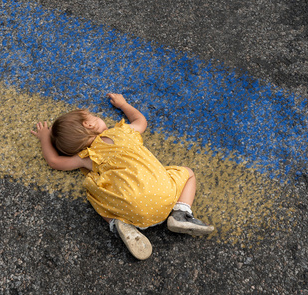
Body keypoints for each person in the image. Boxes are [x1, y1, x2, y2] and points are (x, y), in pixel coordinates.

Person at [31, 93, 214, 260]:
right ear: (89, 124)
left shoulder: (86, 157)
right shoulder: (123, 132)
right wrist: (123, 104)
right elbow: (140, 120)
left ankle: (116, 223)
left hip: (132, 211)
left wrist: (44, 138)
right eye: (93, 116)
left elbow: (54, 162)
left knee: (92, 191)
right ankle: (181, 213)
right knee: (188, 173)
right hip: (165, 196)